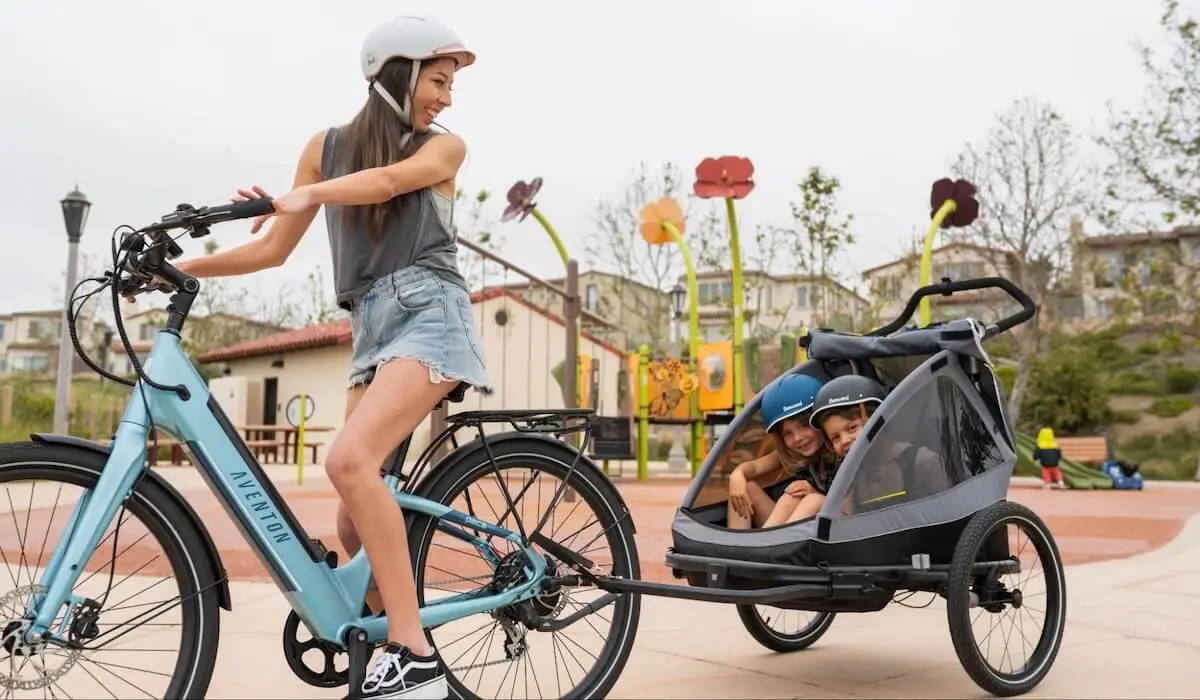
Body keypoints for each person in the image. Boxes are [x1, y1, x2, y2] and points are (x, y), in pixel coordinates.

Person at [178, 16, 487, 699]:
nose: (447, 97)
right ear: (396, 73)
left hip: (430, 316)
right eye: (438, 81)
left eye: (449, 84)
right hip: (371, 327)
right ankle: (384, 643)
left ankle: (415, 653)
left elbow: (385, 185)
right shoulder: (324, 147)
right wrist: (184, 267)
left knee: (347, 461)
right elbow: (270, 249)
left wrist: (308, 193)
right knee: (351, 514)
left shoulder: (444, 149)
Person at [810, 375, 945, 513]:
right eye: (835, 438)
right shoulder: (850, 477)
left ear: (878, 420)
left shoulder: (921, 461)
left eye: (852, 428)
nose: (844, 440)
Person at [727, 374, 837, 528]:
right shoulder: (794, 454)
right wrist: (737, 476)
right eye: (788, 433)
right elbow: (755, 467)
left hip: (829, 529)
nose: (797, 438)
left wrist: (814, 491)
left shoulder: (840, 451)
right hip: (791, 527)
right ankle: (737, 546)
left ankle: (768, 547)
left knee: (813, 499)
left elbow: (849, 504)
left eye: (804, 425)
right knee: (746, 488)